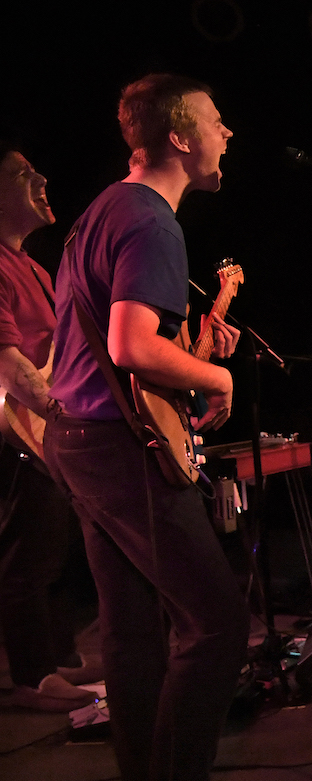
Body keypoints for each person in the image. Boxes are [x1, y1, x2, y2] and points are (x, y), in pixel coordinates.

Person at [44, 74, 266, 781]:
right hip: (114, 446)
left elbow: (107, 345)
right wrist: (219, 375)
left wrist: (190, 356)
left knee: (133, 625)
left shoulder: (101, 210)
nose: (227, 132)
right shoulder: (152, 222)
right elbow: (130, 348)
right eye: (214, 119)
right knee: (216, 620)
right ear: (179, 135)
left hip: (75, 438)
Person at [0, 142, 97, 711]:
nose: (40, 178)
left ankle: (58, 657)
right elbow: (8, 361)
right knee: (26, 553)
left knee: (52, 548)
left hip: (46, 428)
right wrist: (59, 413)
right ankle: (32, 676)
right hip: (22, 429)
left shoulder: (35, 266)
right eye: (21, 173)